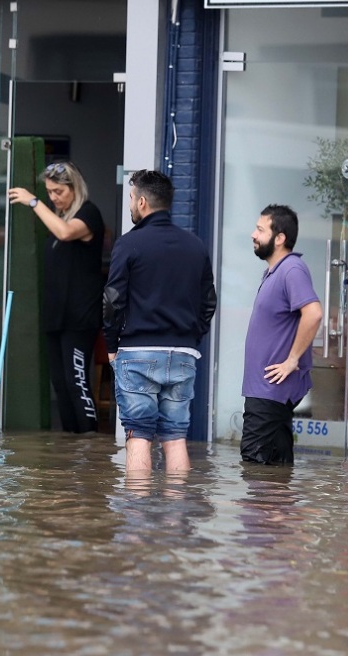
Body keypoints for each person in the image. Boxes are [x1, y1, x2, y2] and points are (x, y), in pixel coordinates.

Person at [103, 169, 217, 472]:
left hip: (137, 352)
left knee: (138, 435)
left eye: (130, 198)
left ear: (142, 202)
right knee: (175, 436)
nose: (130, 205)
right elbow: (209, 303)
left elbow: (113, 300)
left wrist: (111, 344)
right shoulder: (195, 245)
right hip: (182, 354)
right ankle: (174, 516)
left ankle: (137, 514)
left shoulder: (129, 244)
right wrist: (191, 339)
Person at [8, 161, 106, 433]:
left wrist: (33, 201)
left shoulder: (88, 214)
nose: (53, 197)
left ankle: (90, 445)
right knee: (60, 384)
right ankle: (70, 449)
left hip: (79, 317)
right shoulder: (58, 219)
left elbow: (66, 233)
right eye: (49, 192)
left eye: (58, 192)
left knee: (77, 382)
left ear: (75, 189)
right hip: (56, 316)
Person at [241, 204, 323, 466]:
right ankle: (280, 508)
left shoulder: (291, 268)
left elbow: (314, 313)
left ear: (280, 238)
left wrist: (292, 360)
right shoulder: (275, 272)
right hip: (265, 390)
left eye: (260, 229)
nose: (253, 234)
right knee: (275, 468)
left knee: (255, 465)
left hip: (270, 391)